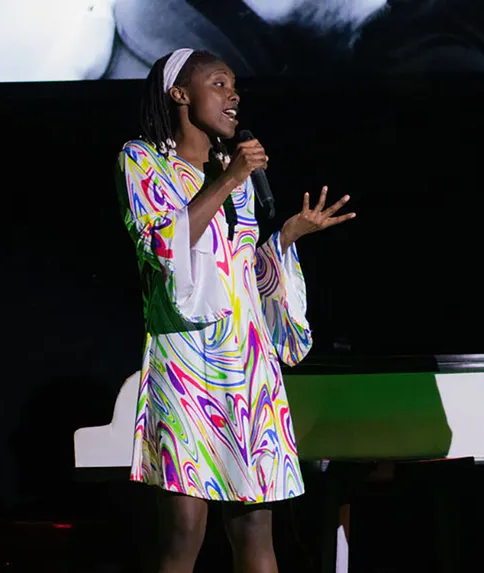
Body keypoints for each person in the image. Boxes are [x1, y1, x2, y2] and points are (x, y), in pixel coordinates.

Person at [115, 48, 355, 573]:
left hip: (247, 373)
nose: (233, 94)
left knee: (255, 531)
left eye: (234, 86)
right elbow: (162, 249)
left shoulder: (234, 173)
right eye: (219, 84)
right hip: (185, 369)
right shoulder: (142, 161)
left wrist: (287, 237)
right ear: (179, 93)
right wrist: (229, 179)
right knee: (184, 531)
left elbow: (239, 270)